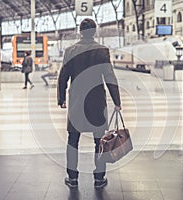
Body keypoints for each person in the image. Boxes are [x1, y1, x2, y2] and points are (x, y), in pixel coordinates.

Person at [57, 18, 121, 189]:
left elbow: (63, 76)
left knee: (73, 140)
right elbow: (109, 77)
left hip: (77, 100)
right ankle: (99, 178)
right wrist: (117, 101)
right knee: (99, 141)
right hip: (96, 101)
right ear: (94, 32)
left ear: (80, 31)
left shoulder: (71, 50)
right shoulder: (102, 50)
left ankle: (72, 178)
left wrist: (61, 99)